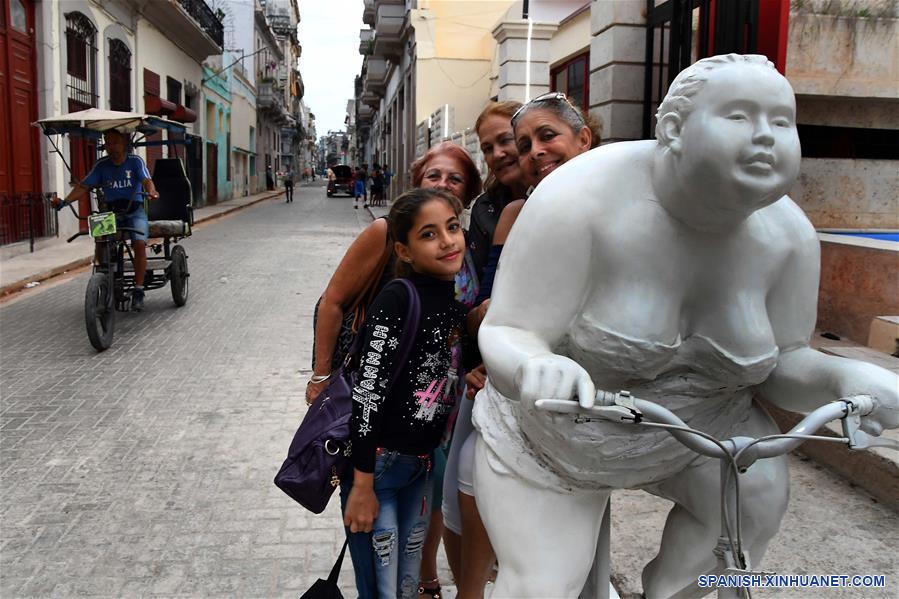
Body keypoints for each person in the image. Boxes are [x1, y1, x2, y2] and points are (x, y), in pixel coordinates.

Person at [472, 54, 899, 598]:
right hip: (553, 443)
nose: (765, 137)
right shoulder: (578, 200)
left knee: (754, 498)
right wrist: (536, 364)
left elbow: (783, 364)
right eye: (740, 117)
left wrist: (845, 380)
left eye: (782, 122)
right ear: (672, 129)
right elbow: (509, 329)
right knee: (543, 586)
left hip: (700, 437)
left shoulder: (789, 238)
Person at [441, 96, 600, 599]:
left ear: (584, 137)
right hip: (513, 372)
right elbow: (488, 305)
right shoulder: (508, 212)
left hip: (599, 390)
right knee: (466, 475)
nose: (524, 152)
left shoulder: (622, 204)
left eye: (539, 138)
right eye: (511, 144)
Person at [341, 187, 469, 599]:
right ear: (405, 250)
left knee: (407, 586)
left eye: (452, 227)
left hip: (422, 466)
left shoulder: (453, 302)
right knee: (381, 591)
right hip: (377, 469)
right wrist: (361, 485)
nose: (448, 241)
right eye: (429, 234)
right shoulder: (398, 297)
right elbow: (368, 394)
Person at [54, 128, 159, 311]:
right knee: (100, 240)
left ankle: (139, 289)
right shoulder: (101, 165)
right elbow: (83, 186)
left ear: (123, 143)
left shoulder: (135, 162)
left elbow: (146, 180)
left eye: (115, 142)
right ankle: (102, 275)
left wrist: (151, 191)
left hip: (134, 211)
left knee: (139, 244)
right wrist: (64, 202)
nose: (111, 147)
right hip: (110, 213)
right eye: (108, 143)